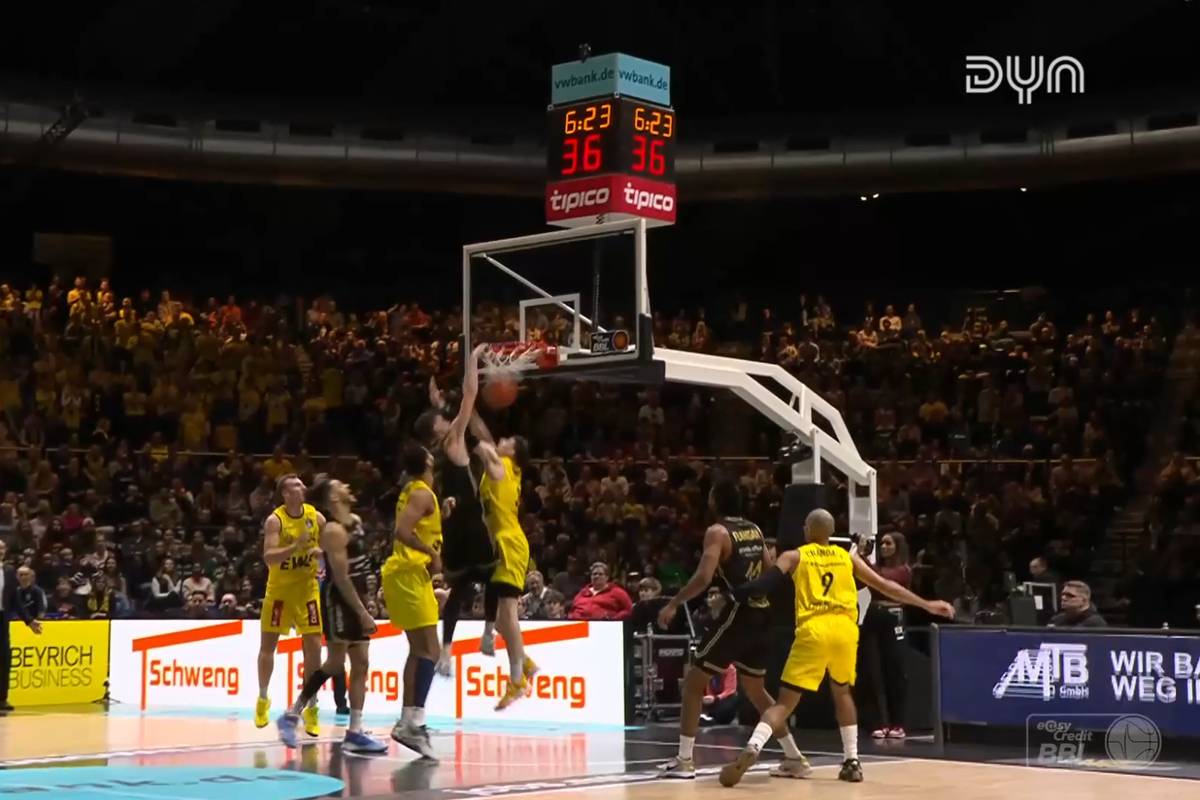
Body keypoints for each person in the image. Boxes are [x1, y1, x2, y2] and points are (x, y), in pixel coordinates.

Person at [718, 509, 954, 786]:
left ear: (807, 530)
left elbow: (765, 584)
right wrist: (927, 604)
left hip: (813, 629)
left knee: (784, 703)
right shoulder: (848, 557)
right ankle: (852, 761)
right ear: (830, 532)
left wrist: (738, 593)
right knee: (842, 693)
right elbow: (885, 585)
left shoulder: (795, 556)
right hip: (844, 629)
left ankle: (754, 746)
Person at [656, 478, 810, 780]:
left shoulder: (718, 532)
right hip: (762, 614)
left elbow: (703, 577)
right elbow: (769, 570)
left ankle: (685, 760)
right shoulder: (754, 529)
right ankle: (794, 757)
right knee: (755, 689)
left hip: (738, 613)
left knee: (693, 683)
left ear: (714, 500)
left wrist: (674, 602)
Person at [277, 477, 387, 753]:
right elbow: (341, 578)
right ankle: (292, 713)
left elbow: (357, 566)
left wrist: (368, 599)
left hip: (357, 593)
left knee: (361, 663)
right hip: (339, 598)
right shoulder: (334, 531)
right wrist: (362, 612)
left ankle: (355, 731)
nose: (347, 486)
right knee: (337, 662)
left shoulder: (356, 522)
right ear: (333, 498)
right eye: (341, 485)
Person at [416, 345, 493, 677]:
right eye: (441, 419)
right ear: (437, 427)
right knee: (494, 577)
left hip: (451, 525)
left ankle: (446, 653)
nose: (446, 420)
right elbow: (470, 395)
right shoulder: (453, 438)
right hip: (472, 522)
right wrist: (473, 359)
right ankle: (488, 633)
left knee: (458, 592)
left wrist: (438, 404)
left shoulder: (431, 454)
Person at [385, 444, 444, 759]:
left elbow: (417, 525)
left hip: (408, 575)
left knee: (419, 650)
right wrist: (433, 554)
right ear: (427, 463)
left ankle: (408, 721)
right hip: (408, 572)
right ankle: (414, 723)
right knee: (430, 651)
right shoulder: (421, 492)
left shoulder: (417, 492)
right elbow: (402, 531)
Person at [255, 474, 325, 739]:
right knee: (267, 648)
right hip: (280, 591)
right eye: (296, 485)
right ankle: (263, 699)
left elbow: (327, 547)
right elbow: (269, 558)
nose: (303, 487)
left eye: (302, 484)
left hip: (307, 589)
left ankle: (312, 707)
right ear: (285, 493)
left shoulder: (316, 517)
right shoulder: (276, 521)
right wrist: (295, 546)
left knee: (314, 650)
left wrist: (322, 558)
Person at [475, 432, 538, 710]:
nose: (501, 438)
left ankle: (517, 680)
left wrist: (454, 413)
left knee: (509, 613)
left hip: (509, 542)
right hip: (501, 543)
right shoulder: (498, 467)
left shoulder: (501, 466)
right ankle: (524, 661)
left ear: (513, 452)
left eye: (508, 439)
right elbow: (481, 433)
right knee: (502, 621)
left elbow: (476, 440)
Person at [1, 540, 43, 713]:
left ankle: (2, 699)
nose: (0, 550)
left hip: (2, 618)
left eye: (2, 548)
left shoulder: (9, 572)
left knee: (4, 659)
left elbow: (15, 601)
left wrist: (29, 620)